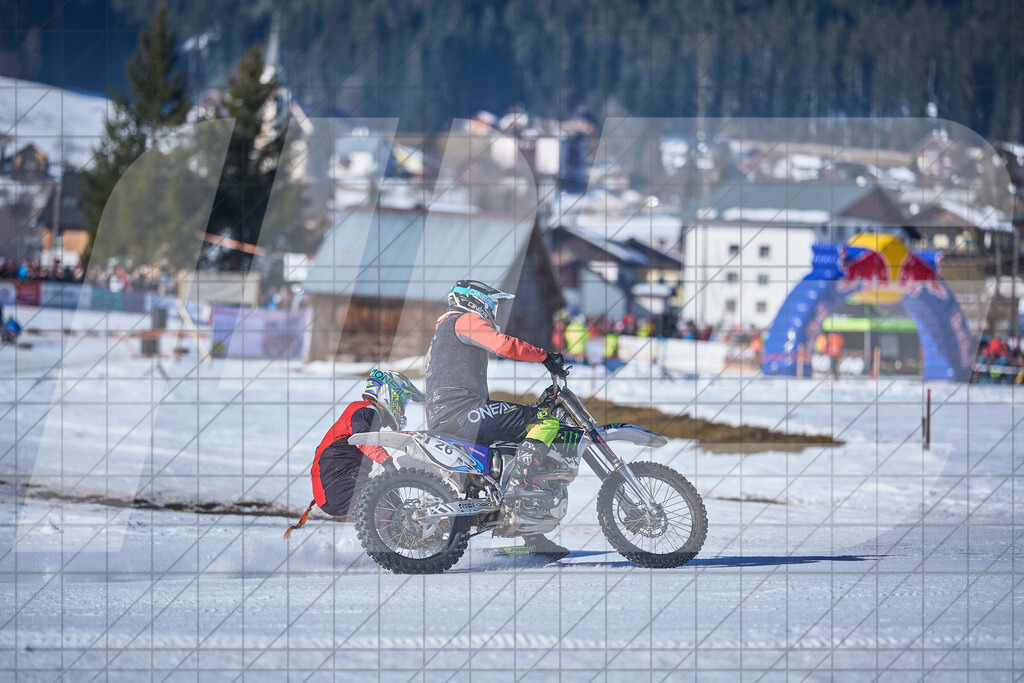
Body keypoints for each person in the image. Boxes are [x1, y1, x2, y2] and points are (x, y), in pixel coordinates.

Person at [425, 280, 570, 559]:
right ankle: (521, 488)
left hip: (452, 414)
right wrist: (545, 356)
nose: (493, 310)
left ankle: (530, 533)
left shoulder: (445, 328)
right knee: (545, 422)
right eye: (491, 304)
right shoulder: (462, 320)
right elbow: (503, 346)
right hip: (464, 412)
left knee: (510, 448)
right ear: (473, 301)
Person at [284, 369, 424, 538]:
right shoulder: (365, 411)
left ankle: (401, 541)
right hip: (336, 483)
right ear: (391, 393)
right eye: (403, 402)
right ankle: (401, 544)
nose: (403, 408)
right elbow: (364, 440)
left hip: (335, 483)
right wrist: (387, 462)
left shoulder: (366, 411)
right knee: (383, 502)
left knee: (387, 493)